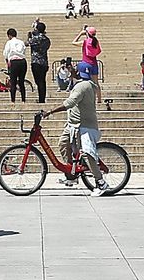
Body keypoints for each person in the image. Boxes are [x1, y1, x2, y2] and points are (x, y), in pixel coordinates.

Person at [44, 62, 108, 196]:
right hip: (73, 124)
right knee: (63, 144)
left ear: (78, 73)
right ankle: (71, 174)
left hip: (84, 125)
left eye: (73, 69)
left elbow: (70, 103)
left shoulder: (82, 86)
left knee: (87, 152)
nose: (71, 70)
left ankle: (101, 182)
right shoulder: (85, 83)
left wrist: (50, 111)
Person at [3, 27, 28, 103]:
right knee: (21, 82)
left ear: (9, 36)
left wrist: (7, 60)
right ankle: (23, 100)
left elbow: (6, 53)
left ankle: (13, 100)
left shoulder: (9, 42)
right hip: (22, 62)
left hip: (14, 62)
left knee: (13, 82)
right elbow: (24, 50)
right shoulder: (21, 42)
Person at [28, 21, 52, 99]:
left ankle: (41, 97)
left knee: (38, 81)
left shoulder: (35, 38)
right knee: (42, 81)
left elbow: (27, 43)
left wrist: (29, 37)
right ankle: (42, 98)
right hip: (44, 62)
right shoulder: (47, 39)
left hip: (36, 62)